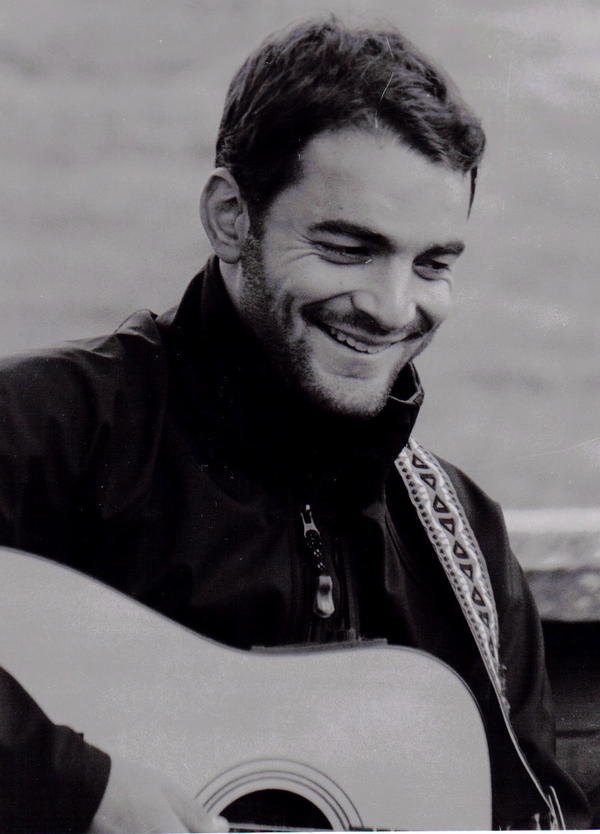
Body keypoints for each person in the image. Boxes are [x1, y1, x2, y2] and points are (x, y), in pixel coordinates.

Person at [0, 17, 591, 832]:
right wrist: (80, 792)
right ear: (230, 217)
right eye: (348, 248)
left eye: (432, 264)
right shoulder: (50, 430)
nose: (392, 307)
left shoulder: (466, 551)